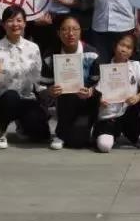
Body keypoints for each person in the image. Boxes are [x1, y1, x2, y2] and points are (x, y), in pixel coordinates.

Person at [0, 7, 52, 149]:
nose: (15, 24)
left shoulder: (33, 48)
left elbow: (37, 78)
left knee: (42, 135)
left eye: (19, 20)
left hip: (26, 98)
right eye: (10, 21)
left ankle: (22, 124)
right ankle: (2, 131)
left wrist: (47, 95)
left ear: (25, 23)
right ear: (3, 24)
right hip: (2, 101)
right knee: (11, 96)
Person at [41, 15, 99, 150]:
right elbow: (42, 85)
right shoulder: (50, 55)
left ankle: (89, 127)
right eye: (65, 29)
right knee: (67, 93)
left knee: (77, 142)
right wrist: (50, 91)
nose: (70, 33)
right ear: (58, 33)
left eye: (74, 29)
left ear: (80, 31)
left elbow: (100, 84)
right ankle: (60, 134)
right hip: (63, 102)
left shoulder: (92, 53)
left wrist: (91, 91)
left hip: (86, 102)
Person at [93, 35, 140, 153]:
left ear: (132, 51)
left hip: (129, 113)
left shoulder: (135, 65)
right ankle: (101, 133)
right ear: (115, 46)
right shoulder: (105, 67)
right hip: (110, 116)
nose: (124, 49)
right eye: (122, 45)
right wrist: (100, 100)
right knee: (104, 146)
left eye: (129, 47)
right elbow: (97, 91)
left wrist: (138, 96)